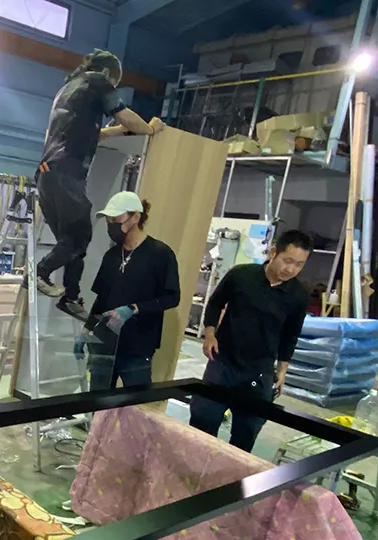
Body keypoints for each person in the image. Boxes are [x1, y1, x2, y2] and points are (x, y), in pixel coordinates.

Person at [35, 48, 164, 320]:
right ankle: (39, 273)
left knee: (72, 243)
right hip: (67, 174)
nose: (113, 87)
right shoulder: (98, 80)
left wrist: (118, 131)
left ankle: (71, 297)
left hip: (48, 173)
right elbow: (124, 114)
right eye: (115, 83)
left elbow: (91, 133)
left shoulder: (69, 88)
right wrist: (151, 129)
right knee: (80, 237)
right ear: (108, 73)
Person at [188, 229, 312, 452]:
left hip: (259, 370)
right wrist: (210, 335)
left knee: (247, 431)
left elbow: (290, 335)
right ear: (273, 252)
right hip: (224, 361)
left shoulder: (298, 295)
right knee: (202, 422)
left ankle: (233, 472)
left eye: (299, 265)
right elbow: (215, 303)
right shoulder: (242, 275)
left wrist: (282, 370)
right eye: (288, 261)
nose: (291, 269)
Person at [73, 191, 180, 390]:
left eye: (115, 220)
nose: (111, 226)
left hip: (137, 346)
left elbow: (172, 297)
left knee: (137, 402)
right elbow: (101, 299)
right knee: (97, 401)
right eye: (108, 221)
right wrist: (86, 330)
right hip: (104, 343)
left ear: (136, 217)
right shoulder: (112, 256)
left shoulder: (160, 254)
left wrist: (134, 309)